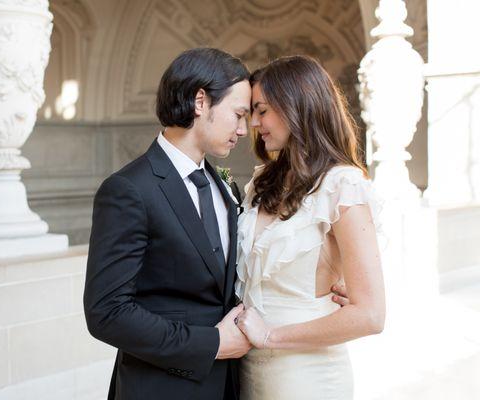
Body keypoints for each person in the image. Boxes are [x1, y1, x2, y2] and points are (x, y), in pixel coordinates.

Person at [83, 47, 253, 400]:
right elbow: (107, 312)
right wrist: (213, 343)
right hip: (161, 388)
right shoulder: (128, 189)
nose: (244, 130)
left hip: (229, 386)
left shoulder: (223, 185)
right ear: (200, 101)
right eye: (238, 114)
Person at [235, 55, 385, 400]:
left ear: (296, 105)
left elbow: (371, 315)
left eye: (263, 110)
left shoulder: (343, 186)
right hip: (247, 370)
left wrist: (271, 337)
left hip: (308, 376)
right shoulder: (261, 183)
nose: (255, 123)